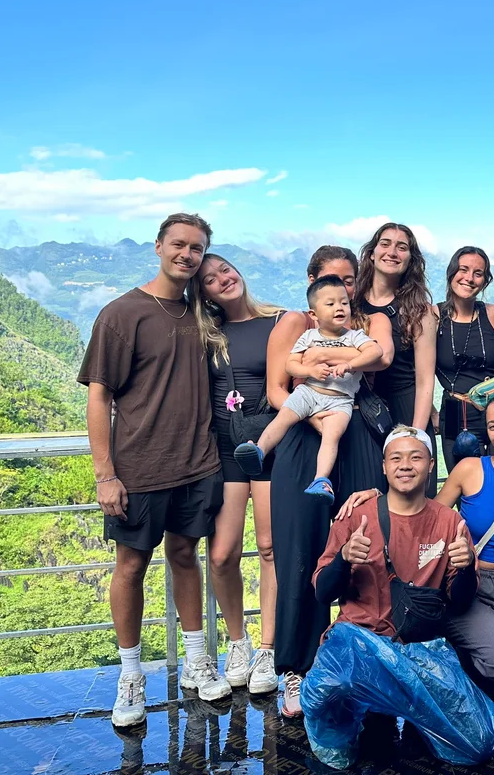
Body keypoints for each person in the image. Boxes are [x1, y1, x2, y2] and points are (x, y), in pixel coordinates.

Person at [78, 212, 230, 729]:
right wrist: (105, 474)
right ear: (159, 247)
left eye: (197, 248)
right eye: (179, 245)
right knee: (131, 566)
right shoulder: (122, 315)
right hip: (139, 467)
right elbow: (100, 395)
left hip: (198, 463)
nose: (187, 255)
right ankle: (130, 674)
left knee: (186, 555)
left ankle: (195, 658)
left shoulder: (202, 314)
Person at [336, 393, 494, 698]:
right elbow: (423, 512)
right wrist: (380, 494)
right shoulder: (469, 470)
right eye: (493, 426)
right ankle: (474, 677)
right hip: (469, 584)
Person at [301, 426, 494, 769]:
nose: (405, 465)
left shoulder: (450, 523)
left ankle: (412, 715)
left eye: (415, 457)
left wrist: (466, 567)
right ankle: (364, 715)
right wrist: (344, 559)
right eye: (396, 457)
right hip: (360, 645)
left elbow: (461, 601)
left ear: (430, 465)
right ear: (383, 467)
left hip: (417, 651)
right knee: (325, 694)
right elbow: (323, 592)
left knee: (477, 744)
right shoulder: (356, 516)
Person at [267, 246, 395, 716]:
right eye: (331, 279)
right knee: (300, 548)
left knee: (362, 544)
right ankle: (297, 669)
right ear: (313, 282)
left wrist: (324, 356)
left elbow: (380, 357)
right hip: (304, 436)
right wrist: (320, 408)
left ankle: (361, 664)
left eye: (348, 279)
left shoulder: (369, 322)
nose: (342, 286)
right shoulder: (294, 322)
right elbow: (276, 383)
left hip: (356, 434)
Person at [194, 253, 284, 695]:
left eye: (225, 270)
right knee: (222, 554)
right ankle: (238, 641)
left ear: (239, 271)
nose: (222, 280)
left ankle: (268, 647)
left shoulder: (278, 322)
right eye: (209, 279)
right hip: (225, 450)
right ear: (204, 292)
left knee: (269, 548)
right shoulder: (206, 334)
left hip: (267, 445)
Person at [234, 276, 381, 500]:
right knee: (283, 418)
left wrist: (349, 364)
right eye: (330, 304)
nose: (339, 308)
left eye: (343, 302)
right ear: (313, 314)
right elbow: (290, 364)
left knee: (331, 436)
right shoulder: (309, 336)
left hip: (340, 400)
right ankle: (259, 450)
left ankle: (321, 480)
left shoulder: (355, 337)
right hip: (308, 392)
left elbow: (375, 352)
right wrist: (310, 372)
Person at [356, 223, 440, 494]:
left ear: (410, 260)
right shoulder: (350, 303)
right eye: (385, 243)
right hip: (362, 413)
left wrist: (416, 437)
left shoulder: (419, 311)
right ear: (371, 253)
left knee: (414, 501)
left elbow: (425, 380)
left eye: (401, 247)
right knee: (367, 499)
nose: (392, 252)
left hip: (407, 408)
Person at [434, 246, 494, 471]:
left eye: (478, 273)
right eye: (463, 270)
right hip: (455, 410)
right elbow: (421, 371)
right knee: (462, 484)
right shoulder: (433, 317)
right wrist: (431, 412)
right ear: (451, 273)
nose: (469, 278)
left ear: (485, 281)